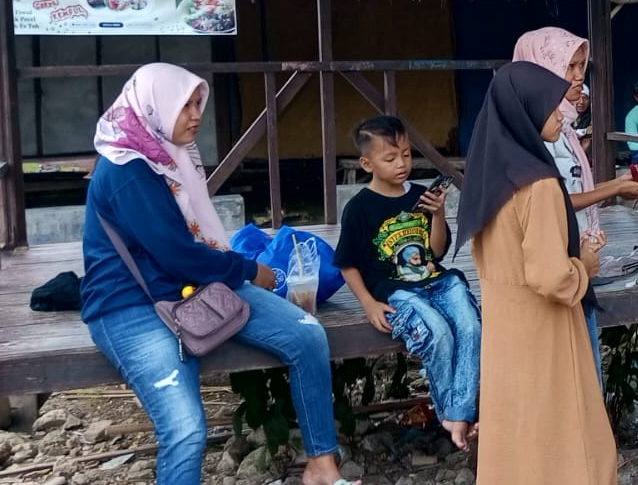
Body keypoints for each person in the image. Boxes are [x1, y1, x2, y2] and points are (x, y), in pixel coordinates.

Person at [79, 64, 356, 485]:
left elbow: (189, 255)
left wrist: (233, 271)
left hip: (194, 287)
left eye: (197, 104)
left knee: (307, 335)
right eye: (184, 105)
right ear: (154, 107)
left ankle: (321, 464)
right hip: (130, 305)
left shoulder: (169, 155)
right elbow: (176, 254)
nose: (196, 115)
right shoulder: (126, 169)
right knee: (187, 430)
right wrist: (246, 269)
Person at [461, 61, 617, 485]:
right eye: (550, 106)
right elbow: (551, 278)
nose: (561, 115)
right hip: (544, 329)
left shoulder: (490, 176)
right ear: (525, 111)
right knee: (568, 438)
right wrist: (583, 266)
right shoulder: (540, 184)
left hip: (505, 329)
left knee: (515, 437)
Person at [504, 27, 638, 376]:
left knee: (581, 362)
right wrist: (614, 188)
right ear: (539, 70)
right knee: (566, 365)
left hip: (574, 261)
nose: (577, 77)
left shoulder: (563, 124)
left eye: (581, 66)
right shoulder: (533, 134)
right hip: (551, 269)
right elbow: (554, 202)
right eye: (567, 67)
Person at [334, 116, 477, 451]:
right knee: (438, 333)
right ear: (367, 163)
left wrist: (439, 214)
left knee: (470, 325)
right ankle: (455, 417)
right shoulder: (359, 208)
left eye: (407, 155)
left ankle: (459, 413)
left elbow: (438, 251)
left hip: (436, 280)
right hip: (394, 289)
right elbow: (346, 264)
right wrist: (368, 303)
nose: (402, 164)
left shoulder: (419, 196)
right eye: (390, 158)